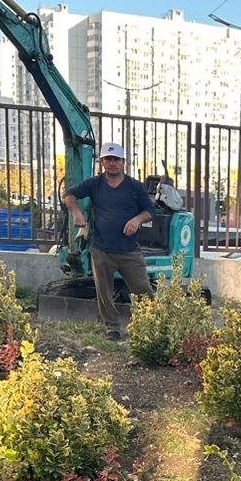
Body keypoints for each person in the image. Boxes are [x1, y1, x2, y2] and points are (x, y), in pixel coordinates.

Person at [63, 142, 154, 336]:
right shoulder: (94, 184)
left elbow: (150, 211)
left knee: (143, 290)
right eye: (108, 159)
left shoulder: (135, 187)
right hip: (101, 249)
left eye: (116, 159)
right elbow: (69, 195)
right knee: (104, 292)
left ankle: (152, 326)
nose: (112, 163)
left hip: (129, 250)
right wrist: (77, 213)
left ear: (123, 163)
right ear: (102, 162)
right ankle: (112, 328)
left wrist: (137, 219)